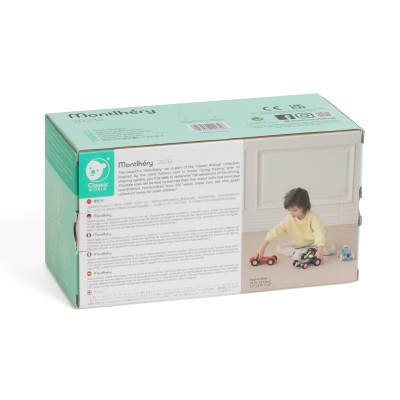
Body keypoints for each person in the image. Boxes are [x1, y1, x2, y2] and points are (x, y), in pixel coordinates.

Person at [255, 188, 336, 263]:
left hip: (315, 242)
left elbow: (319, 232)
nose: (291, 213)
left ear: (304, 207)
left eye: (294, 210)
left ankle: (308, 251)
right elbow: (276, 231)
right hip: (301, 244)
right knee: (280, 248)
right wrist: (262, 246)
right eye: (289, 210)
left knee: (331, 249)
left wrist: (320, 249)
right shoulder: (288, 220)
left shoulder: (313, 217)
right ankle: (301, 252)